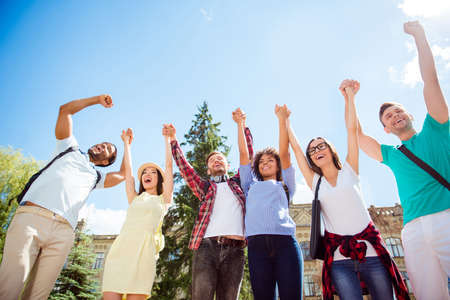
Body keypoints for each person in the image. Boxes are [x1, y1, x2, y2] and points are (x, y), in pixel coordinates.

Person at [287, 82, 409, 300]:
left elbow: (352, 130)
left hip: (371, 253)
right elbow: (295, 150)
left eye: (321, 145)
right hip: (340, 259)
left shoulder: (350, 170)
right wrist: (285, 121)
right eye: (312, 150)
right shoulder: (315, 182)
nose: (317, 150)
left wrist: (349, 98)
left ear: (331, 150)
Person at [355, 21, 449, 300]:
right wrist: (350, 98)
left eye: (398, 111)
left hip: (447, 217)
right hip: (413, 230)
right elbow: (358, 136)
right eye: (387, 117)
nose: (394, 115)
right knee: (428, 294)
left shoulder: (438, 128)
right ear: (385, 128)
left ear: (409, 114)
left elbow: (430, 80)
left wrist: (419, 36)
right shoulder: (392, 155)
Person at [0, 94, 127, 300]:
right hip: (32, 218)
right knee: (10, 285)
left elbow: (122, 175)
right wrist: (96, 100)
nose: (102, 146)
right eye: (102, 143)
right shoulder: (69, 148)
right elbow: (65, 110)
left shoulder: (96, 176)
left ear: (105, 162)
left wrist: (127, 144)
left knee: (37, 295)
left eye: (107, 148)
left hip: (63, 232)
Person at [164, 118, 253, 300]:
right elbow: (185, 168)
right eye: (212, 160)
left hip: (236, 251)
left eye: (220, 158)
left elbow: (249, 156)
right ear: (209, 170)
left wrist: (243, 126)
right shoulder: (204, 188)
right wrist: (173, 140)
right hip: (206, 248)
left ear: (228, 165)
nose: (217, 160)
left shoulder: (238, 183)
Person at [238, 105, 303, 300]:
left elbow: (285, 153)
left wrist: (282, 120)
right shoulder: (249, 185)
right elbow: (243, 156)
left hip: (285, 243)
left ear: (277, 164)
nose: (265, 163)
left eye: (270, 160)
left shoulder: (285, 184)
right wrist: (240, 125)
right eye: (261, 161)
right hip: (257, 246)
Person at [102, 126, 173, 300]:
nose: (147, 174)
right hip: (121, 252)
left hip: (144, 255)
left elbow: (169, 167)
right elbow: (128, 171)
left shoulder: (164, 199)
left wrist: (168, 140)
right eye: (145, 173)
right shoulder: (134, 197)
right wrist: (126, 144)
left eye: (153, 172)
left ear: (159, 179)